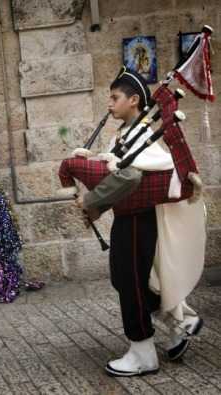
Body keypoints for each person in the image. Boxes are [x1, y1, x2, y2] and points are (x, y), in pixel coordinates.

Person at [71, 68, 205, 377]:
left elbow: (129, 177)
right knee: (127, 280)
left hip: (137, 220)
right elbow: (115, 177)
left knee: (129, 283)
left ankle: (143, 352)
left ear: (133, 100)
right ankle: (177, 325)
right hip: (130, 218)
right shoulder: (125, 133)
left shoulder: (142, 134)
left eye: (115, 97)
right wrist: (97, 200)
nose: (109, 103)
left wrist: (91, 202)